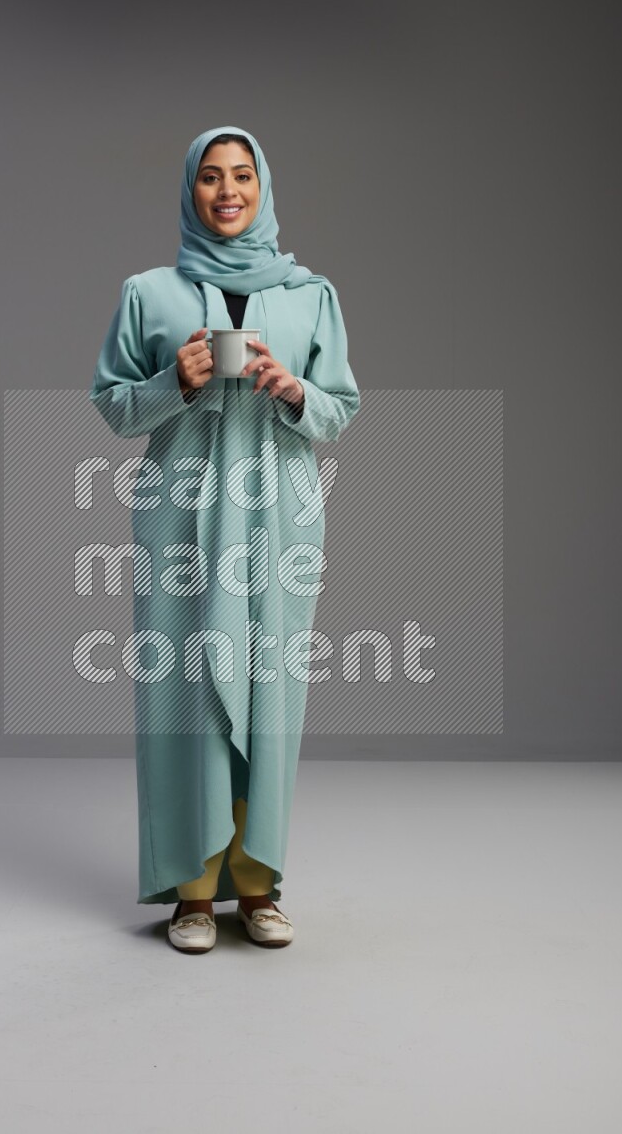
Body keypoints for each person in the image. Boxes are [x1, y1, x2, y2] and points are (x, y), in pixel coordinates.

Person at [90, 125, 360, 953]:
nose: (227, 190)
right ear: (190, 190)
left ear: (263, 186)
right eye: (211, 177)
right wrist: (175, 382)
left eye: (242, 175)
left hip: (277, 522)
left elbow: (340, 408)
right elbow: (110, 402)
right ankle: (193, 893)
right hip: (179, 520)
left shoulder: (312, 296)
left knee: (270, 698)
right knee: (186, 699)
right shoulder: (150, 292)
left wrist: (292, 391)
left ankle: (261, 885)